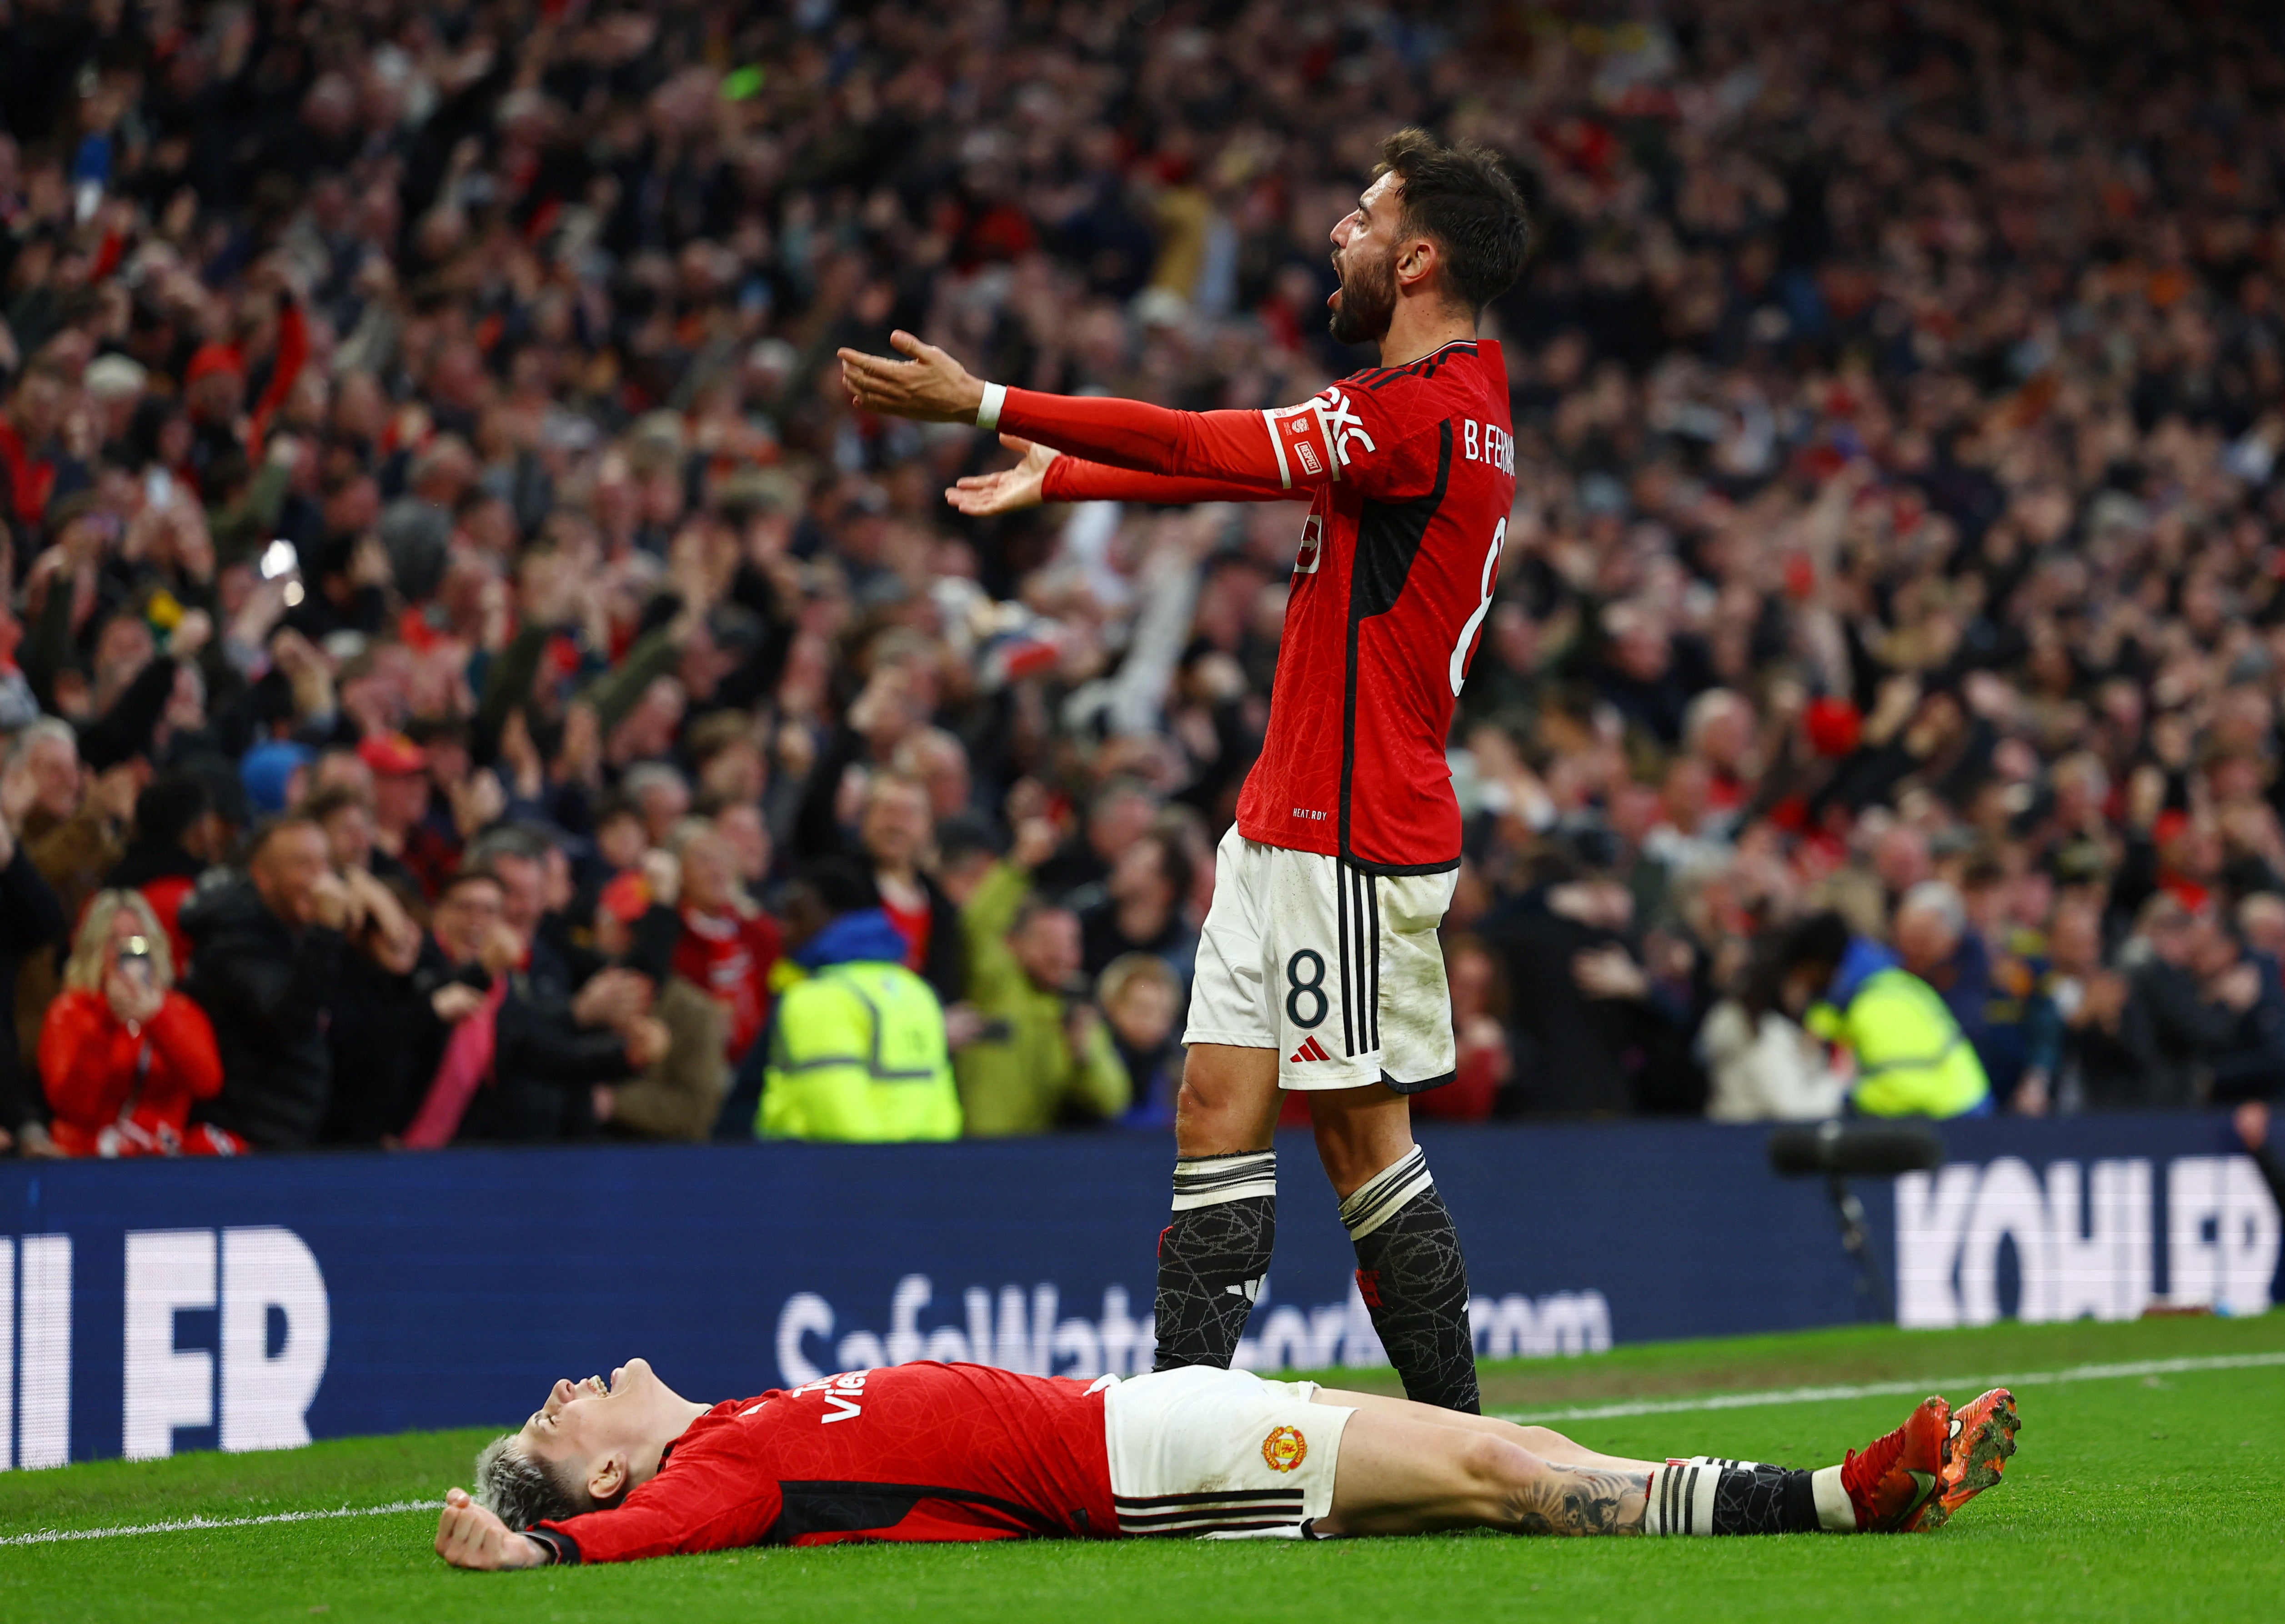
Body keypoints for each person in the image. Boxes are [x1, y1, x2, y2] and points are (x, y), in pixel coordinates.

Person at [844, 129, 1529, 1412]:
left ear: (1420, 258)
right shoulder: (1426, 416)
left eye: (1363, 216)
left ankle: (1458, 1438)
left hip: (1358, 833)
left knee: (1359, 1136)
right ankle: (1175, 1427)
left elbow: (1206, 443)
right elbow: (1223, 466)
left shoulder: (1424, 412)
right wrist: (1071, 476)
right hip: (1283, 822)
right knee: (1215, 1109)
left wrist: (994, 404)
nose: (1339, 234)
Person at [432, 1358, 2021, 1568]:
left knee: (1506, 1446)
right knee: (1494, 1474)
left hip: (1149, 1414)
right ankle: (1834, 1496)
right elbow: (679, 1532)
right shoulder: (724, 1472)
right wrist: (539, 1555)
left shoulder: (737, 1419)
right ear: (594, 1483)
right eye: (555, 1420)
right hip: (1144, 1463)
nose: (570, 1387)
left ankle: (1827, 1491)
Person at [179, 816, 352, 1151]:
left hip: (295, 1140)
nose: (320, 881)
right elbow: (287, 1021)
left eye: (324, 865)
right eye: (304, 865)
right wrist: (326, 933)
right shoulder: (234, 937)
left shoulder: (295, 933)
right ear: (263, 875)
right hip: (243, 1146)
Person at [758, 859, 959, 1143]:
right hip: (919, 1174)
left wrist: (874, 1180)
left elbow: (840, 1122)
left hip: (820, 1177)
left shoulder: (816, 998)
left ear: (836, 917)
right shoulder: (917, 991)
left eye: (797, 916)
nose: (785, 930)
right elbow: (945, 1114)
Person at [953, 833, 1131, 1136]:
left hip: (1031, 1161)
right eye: (1047, 941)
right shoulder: (996, 983)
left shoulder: (1076, 1013)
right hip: (970, 1151)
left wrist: (1084, 1055)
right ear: (1013, 943)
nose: (1061, 955)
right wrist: (1016, 867)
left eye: (1070, 943)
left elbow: (1112, 1101)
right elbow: (978, 926)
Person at [37, 889, 232, 1156]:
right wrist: (108, 1021)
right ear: (92, 948)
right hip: (86, 1159)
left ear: (153, 946)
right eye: (112, 940)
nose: (123, 951)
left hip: (160, 1157)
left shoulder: (180, 1010)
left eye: (135, 940)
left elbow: (207, 1083)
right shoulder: (70, 1011)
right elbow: (72, 1106)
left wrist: (157, 1018)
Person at [1774, 912, 1992, 1119]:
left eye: (1800, 974)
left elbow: (1903, 1087)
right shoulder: (1869, 989)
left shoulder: (1878, 1005)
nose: (1800, 984)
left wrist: (1847, 1099)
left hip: (1959, 1121)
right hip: (1950, 1117)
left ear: (1817, 966)